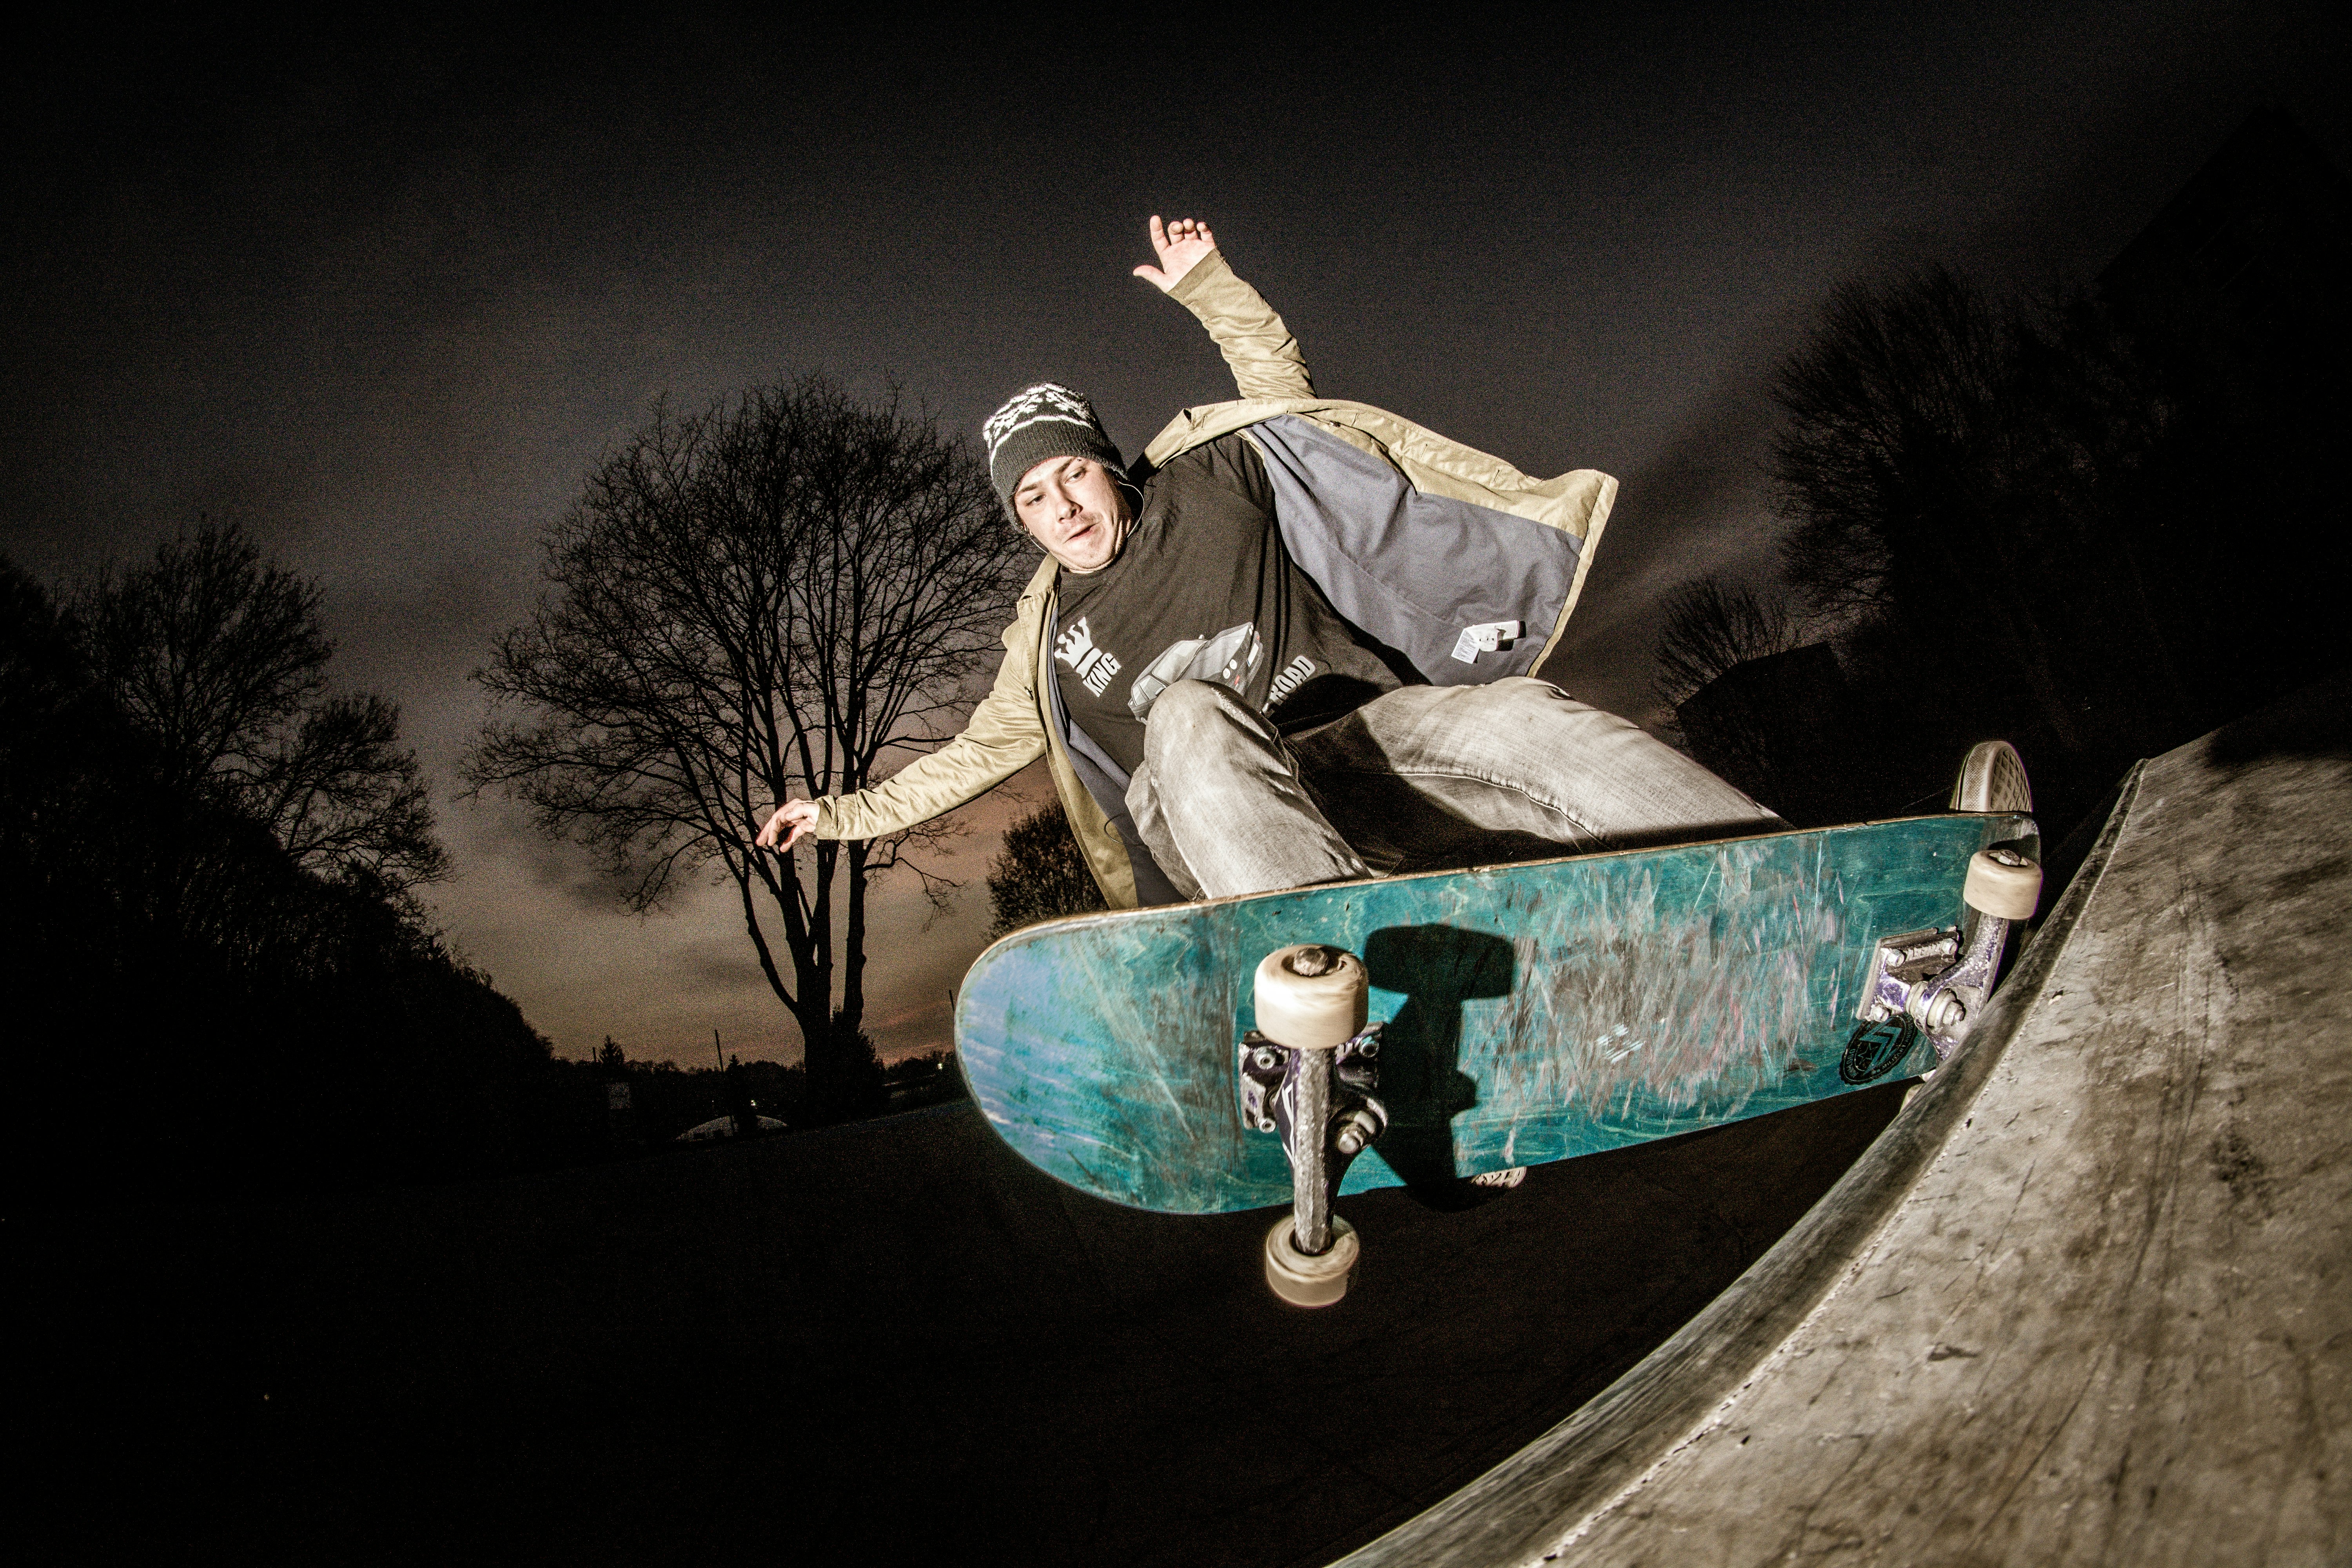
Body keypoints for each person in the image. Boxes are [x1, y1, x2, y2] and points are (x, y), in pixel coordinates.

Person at [757, 217, 1776, 904]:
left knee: (1520, 713)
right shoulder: (1047, 634)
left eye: (1070, 476)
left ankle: (1797, 878)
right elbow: (977, 756)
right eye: (1032, 498)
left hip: (1361, 741)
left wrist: (1213, 290)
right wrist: (840, 813)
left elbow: (1279, 390)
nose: (1060, 507)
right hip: (1213, 808)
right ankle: (1332, 1007)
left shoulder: (1214, 479)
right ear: (1021, 520)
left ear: (1109, 469)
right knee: (1189, 713)